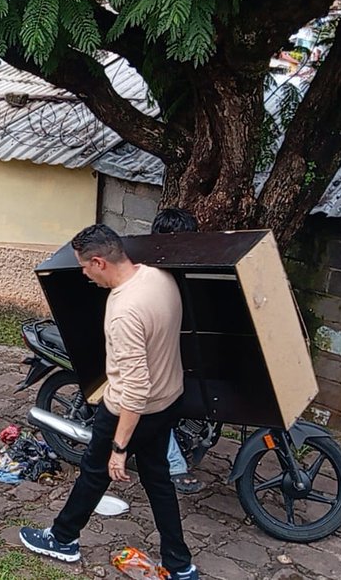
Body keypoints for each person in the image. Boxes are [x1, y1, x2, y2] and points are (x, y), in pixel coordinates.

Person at [19, 224, 197, 580]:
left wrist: (119, 446)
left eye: (85, 266)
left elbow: (134, 389)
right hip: (169, 400)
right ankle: (179, 564)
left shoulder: (124, 312)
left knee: (94, 473)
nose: (84, 274)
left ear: (100, 262)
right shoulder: (158, 277)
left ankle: (63, 538)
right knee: (158, 479)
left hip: (130, 411)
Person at [149, 207, 204, 495]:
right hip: (143, 353)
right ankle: (174, 465)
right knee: (159, 401)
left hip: (168, 347)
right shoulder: (149, 272)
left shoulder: (182, 270)